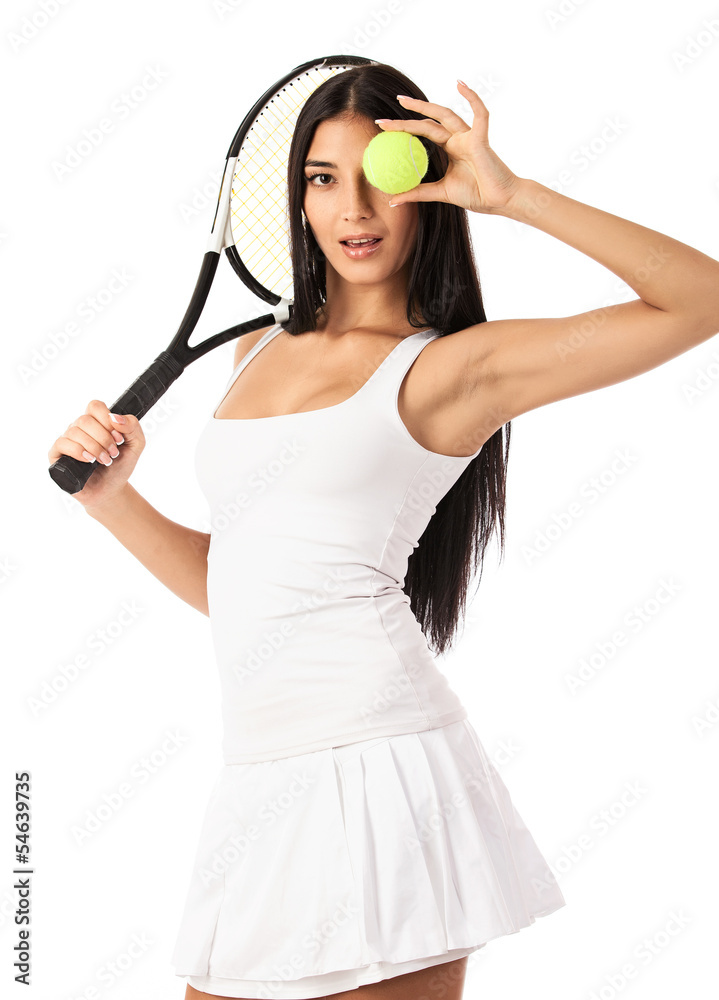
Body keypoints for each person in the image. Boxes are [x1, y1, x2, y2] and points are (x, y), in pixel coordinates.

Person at [47, 62, 719, 1000]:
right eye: (323, 178)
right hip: (258, 779)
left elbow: (701, 299)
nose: (353, 208)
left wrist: (513, 196)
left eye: (381, 175)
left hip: (381, 772)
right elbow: (240, 585)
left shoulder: (454, 369)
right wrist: (112, 500)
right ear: (297, 197)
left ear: (425, 190)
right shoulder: (254, 352)